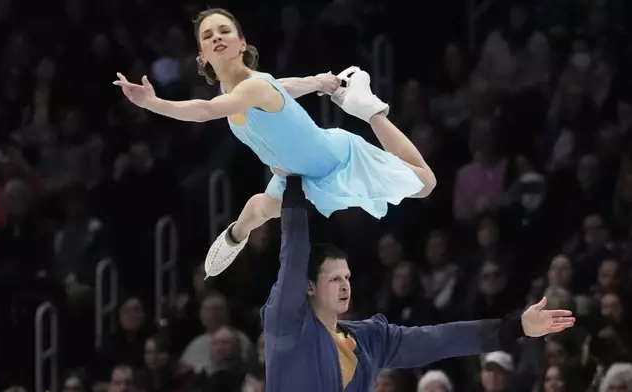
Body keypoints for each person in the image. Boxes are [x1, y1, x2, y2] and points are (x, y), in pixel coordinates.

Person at [112, 8, 436, 278]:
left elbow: (205, 111)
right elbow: (284, 87)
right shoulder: (245, 91)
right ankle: (235, 236)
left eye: (224, 30)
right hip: (294, 178)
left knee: (426, 184)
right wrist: (317, 82)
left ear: (241, 43)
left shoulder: (253, 87)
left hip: (338, 159)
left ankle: (372, 113)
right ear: (202, 56)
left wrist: (153, 103)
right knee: (258, 209)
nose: (216, 37)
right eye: (208, 36)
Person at [262, 175, 575, 392]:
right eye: (334, 279)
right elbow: (293, 255)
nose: (345, 285)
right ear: (309, 287)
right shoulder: (286, 324)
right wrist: (293, 186)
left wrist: (516, 327)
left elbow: (441, 340)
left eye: (347, 277)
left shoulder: (371, 340)